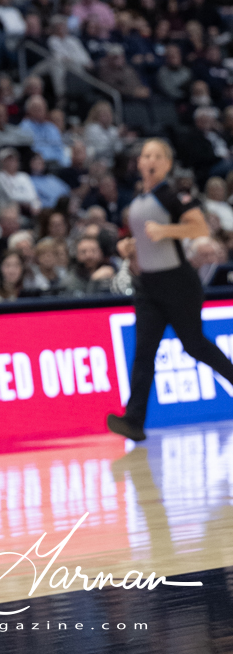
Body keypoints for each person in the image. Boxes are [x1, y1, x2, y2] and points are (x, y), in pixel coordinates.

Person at [107, 139, 233, 442]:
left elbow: (199, 228)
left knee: (195, 345)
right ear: (139, 163)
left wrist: (167, 230)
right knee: (143, 353)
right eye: (146, 155)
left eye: (157, 156)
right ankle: (134, 420)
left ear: (167, 163)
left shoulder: (173, 194)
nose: (150, 160)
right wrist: (129, 246)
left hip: (178, 283)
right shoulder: (138, 199)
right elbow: (146, 240)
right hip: (147, 285)